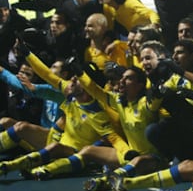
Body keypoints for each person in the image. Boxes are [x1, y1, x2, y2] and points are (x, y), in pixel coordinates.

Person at [0, 43, 129, 179]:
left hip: (74, 153)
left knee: (55, 147)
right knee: (22, 127)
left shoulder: (98, 112)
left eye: (78, 77)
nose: (72, 79)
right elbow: (47, 74)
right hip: (56, 140)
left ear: (88, 84)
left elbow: (110, 139)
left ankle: (12, 167)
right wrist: (28, 53)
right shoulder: (69, 92)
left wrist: (126, 152)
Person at [95, 0, 160, 40]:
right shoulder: (106, 7)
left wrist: (153, 27)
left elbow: (152, 13)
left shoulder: (128, 3)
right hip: (135, 37)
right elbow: (110, 28)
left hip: (151, 36)